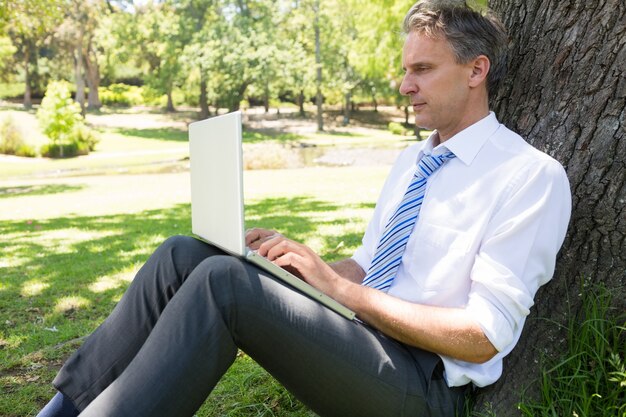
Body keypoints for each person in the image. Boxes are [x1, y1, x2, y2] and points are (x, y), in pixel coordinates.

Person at [37, 1, 571, 416]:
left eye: (423, 70)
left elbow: (484, 337)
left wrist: (341, 290)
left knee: (224, 284)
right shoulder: (414, 161)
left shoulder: (528, 176)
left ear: (476, 71)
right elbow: (368, 265)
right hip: (361, 338)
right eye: (406, 69)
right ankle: (62, 408)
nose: (405, 86)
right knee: (185, 255)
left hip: (420, 385)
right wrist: (298, 265)